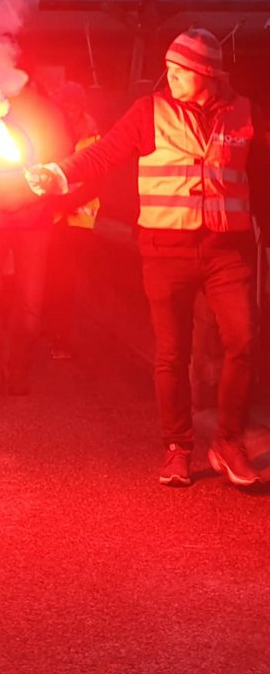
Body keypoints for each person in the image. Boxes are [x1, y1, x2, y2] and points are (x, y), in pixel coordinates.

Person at [29, 29, 269, 488]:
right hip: (165, 251)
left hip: (226, 253)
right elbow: (103, 155)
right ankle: (177, 447)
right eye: (170, 68)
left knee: (242, 340)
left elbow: (263, 178)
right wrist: (60, 172)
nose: (170, 77)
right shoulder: (149, 111)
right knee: (171, 353)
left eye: (180, 71)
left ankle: (229, 443)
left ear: (207, 75)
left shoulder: (246, 114)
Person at [0, 84, 70, 399]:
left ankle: (14, 371)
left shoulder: (46, 112)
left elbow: (63, 164)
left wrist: (28, 194)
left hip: (31, 221)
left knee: (23, 299)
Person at [44, 82, 102, 361]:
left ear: (81, 107)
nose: (68, 110)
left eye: (73, 105)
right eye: (64, 105)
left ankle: (61, 338)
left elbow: (97, 183)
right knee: (52, 280)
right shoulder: (53, 136)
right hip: (54, 221)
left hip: (78, 223)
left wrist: (65, 203)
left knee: (66, 282)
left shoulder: (92, 139)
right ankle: (52, 333)